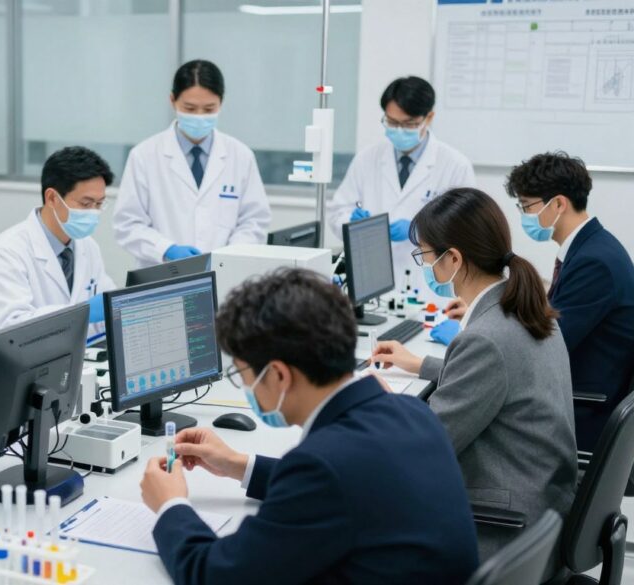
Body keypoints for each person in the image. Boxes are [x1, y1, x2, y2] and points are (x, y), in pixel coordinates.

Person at [139, 268, 478, 584]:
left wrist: (171, 505)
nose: (245, 386)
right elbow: (344, 487)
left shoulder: (321, 466)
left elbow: (215, 574)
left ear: (279, 375)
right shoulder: (410, 411)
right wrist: (238, 466)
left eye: (242, 374)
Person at [370, 188, 576, 570]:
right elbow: (502, 377)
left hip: (505, 532)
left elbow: (424, 448)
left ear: (453, 259)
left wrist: (380, 404)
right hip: (544, 508)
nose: (424, 265)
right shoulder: (529, 308)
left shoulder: (486, 339)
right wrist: (421, 366)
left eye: (425, 256)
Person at [504, 153, 634, 452]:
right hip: (579, 390)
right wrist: (502, 307)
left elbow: (545, 344)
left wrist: (486, 328)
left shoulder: (594, 262)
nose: (524, 216)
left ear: (559, 204)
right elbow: (555, 315)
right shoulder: (591, 246)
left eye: (527, 206)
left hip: (584, 410)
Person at [114, 59, 271, 268]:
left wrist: (230, 256)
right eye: (189, 108)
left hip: (223, 275)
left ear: (221, 103)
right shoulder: (144, 155)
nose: (199, 116)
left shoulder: (240, 155)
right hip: (163, 274)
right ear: (172, 101)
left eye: (209, 109)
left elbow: (254, 220)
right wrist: (166, 249)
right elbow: (127, 223)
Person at [327, 76, 475, 295]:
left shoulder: (455, 165)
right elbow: (337, 212)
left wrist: (421, 231)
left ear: (429, 117)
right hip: (373, 281)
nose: (399, 130)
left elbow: (469, 231)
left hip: (431, 286)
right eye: (392, 122)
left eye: (408, 124)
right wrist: (354, 223)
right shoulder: (367, 158)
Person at [0, 146, 116, 340]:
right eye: (85, 203)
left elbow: (106, 312)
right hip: (18, 366)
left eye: (99, 204)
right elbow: (12, 328)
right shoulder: (6, 252)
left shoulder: (88, 246)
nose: (94, 212)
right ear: (52, 198)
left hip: (76, 359)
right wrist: (83, 312)